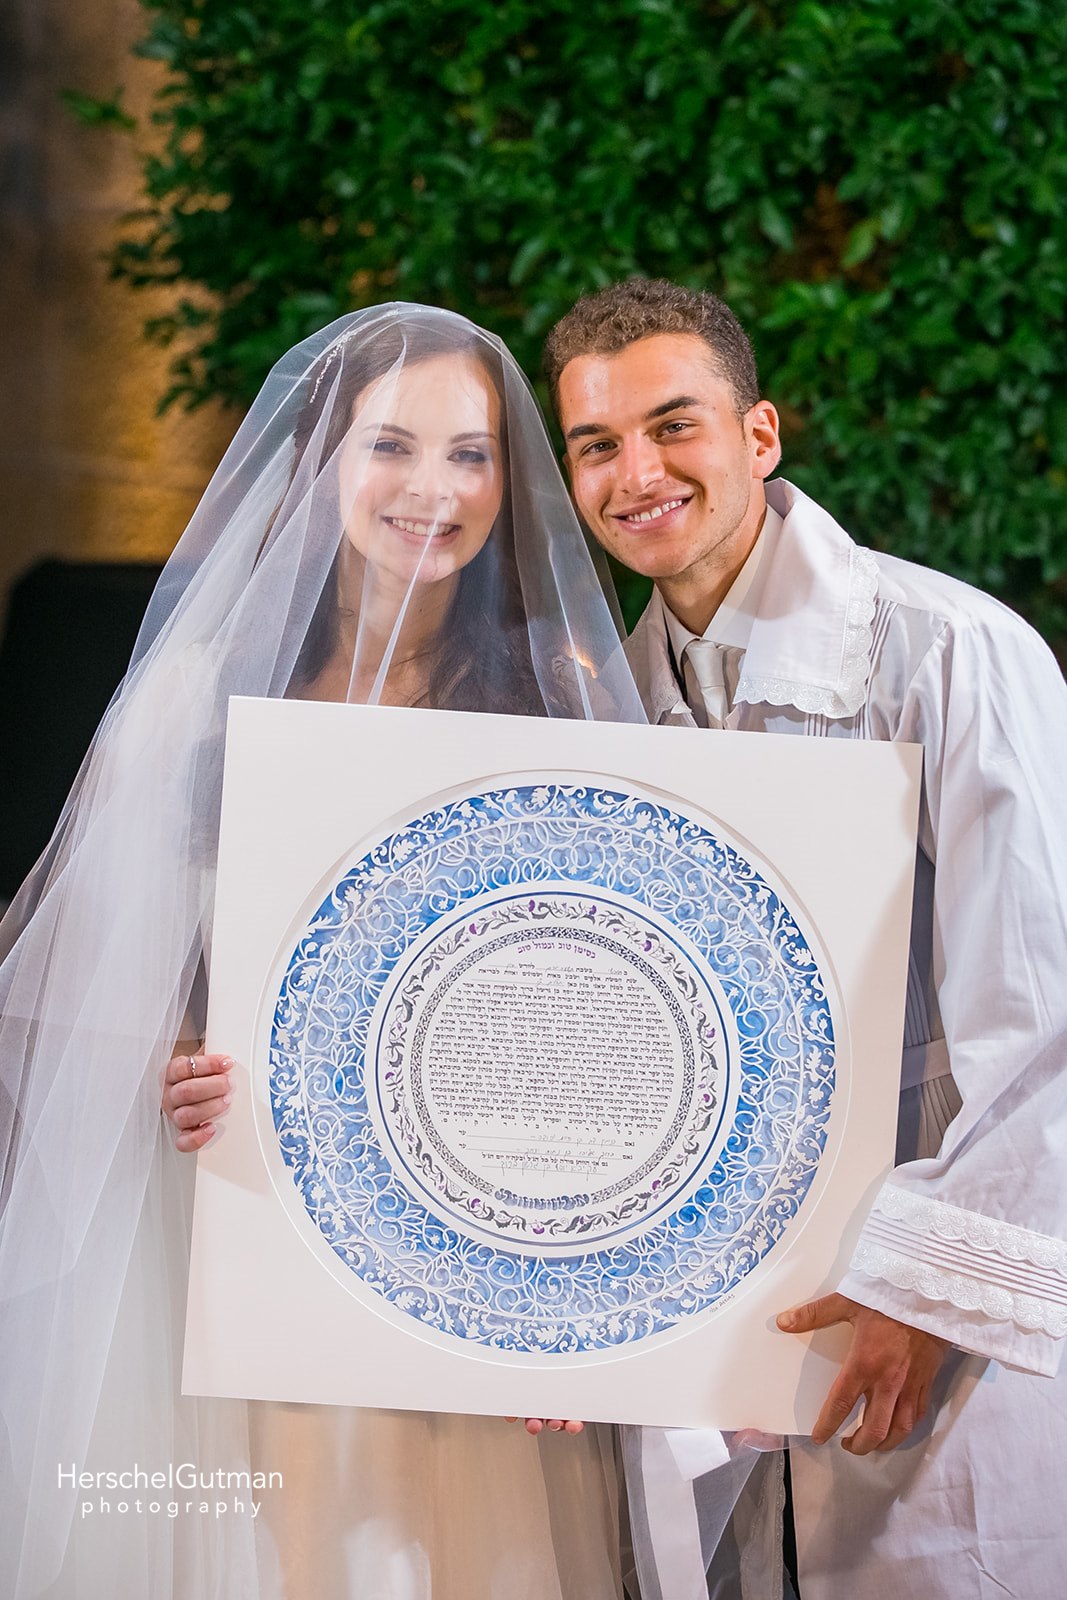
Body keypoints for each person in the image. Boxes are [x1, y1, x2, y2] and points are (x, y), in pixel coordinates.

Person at [0, 304, 645, 1600]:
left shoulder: (544, 700)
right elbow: (82, 994)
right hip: (235, 1242)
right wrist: (163, 1067)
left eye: (469, 456)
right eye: (391, 447)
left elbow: (601, 1015)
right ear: (323, 465)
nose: (432, 490)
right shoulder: (194, 698)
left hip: (454, 1257)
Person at [542, 277, 1067, 1599]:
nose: (637, 473)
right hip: (703, 1362)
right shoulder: (599, 717)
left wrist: (921, 1292)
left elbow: (1047, 1025)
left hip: (933, 1336)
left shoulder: (951, 654)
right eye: (597, 445)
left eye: (676, 427)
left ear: (760, 436)